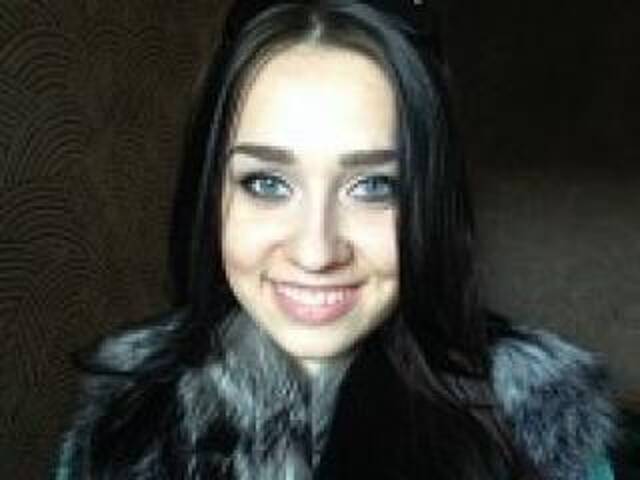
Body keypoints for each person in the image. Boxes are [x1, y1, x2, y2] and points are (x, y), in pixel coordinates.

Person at [54, 1, 617, 478]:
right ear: (209, 196)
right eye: (267, 183)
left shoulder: (545, 433)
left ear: (429, 203)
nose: (316, 252)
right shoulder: (120, 422)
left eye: (375, 186)